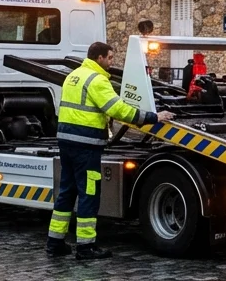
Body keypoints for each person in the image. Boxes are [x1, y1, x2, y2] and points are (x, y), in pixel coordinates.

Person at [48, 42, 174, 259]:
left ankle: (55, 242)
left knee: (67, 192)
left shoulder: (73, 76)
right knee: (89, 193)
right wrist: (153, 117)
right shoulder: (97, 80)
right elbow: (118, 110)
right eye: (110, 57)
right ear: (99, 58)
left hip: (67, 142)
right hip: (86, 146)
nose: (111, 61)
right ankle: (85, 247)